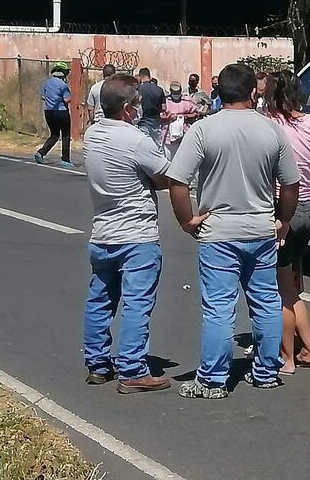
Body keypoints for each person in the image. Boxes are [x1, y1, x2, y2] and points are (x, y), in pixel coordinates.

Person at [168, 63, 301, 400]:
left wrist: (186, 220)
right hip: (260, 230)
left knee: (219, 308)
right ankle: (266, 372)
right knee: (266, 302)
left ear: (218, 92)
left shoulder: (204, 130)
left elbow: (177, 181)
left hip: (218, 232)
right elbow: (290, 183)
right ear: (253, 92)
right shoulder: (271, 130)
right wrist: (283, 220)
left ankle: (213, 380)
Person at [81, 74, 173, 394]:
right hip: (136, 235)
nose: (139, 109)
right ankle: (132, 369)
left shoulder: (92, 135)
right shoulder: (136, 140)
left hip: (103, 232)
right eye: (136, 103)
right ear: (126, 108)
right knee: (137, 303)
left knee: (100, 300)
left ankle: (97, 363)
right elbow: (165, 177)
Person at [263, 71, 310, 374]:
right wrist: (307, 194)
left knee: (282, 291)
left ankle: (287, 358)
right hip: (307, 209)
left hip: (281, 210)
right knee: (292, 287)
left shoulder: (270, 125)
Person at [35, 61, 73, 167]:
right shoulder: (63, 85)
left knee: (54, 135)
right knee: (65, 135)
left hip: (48, 112)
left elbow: (43, 96)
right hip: (62, 112)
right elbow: (67, 99)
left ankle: (41, 152)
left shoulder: (47, 83)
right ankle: (65, 159)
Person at [161, 81, 198, 162]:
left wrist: (185, 117)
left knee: (183, 158)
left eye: (177, 93)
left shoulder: (188, 100)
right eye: (174, 93)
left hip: (184, 134)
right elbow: (160, 115)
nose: (176, 95)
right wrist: (168, 117)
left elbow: (195, 114)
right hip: (168, 135)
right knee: (169, 159)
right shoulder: (165, 101)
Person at [136, 67, 167, 149]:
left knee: (144, 148)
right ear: (150, 76)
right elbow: (164, 108)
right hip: (156, 124)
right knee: (157, 148)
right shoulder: (159, 89)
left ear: (140, 77)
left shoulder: (139, 90)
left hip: (143, 123)